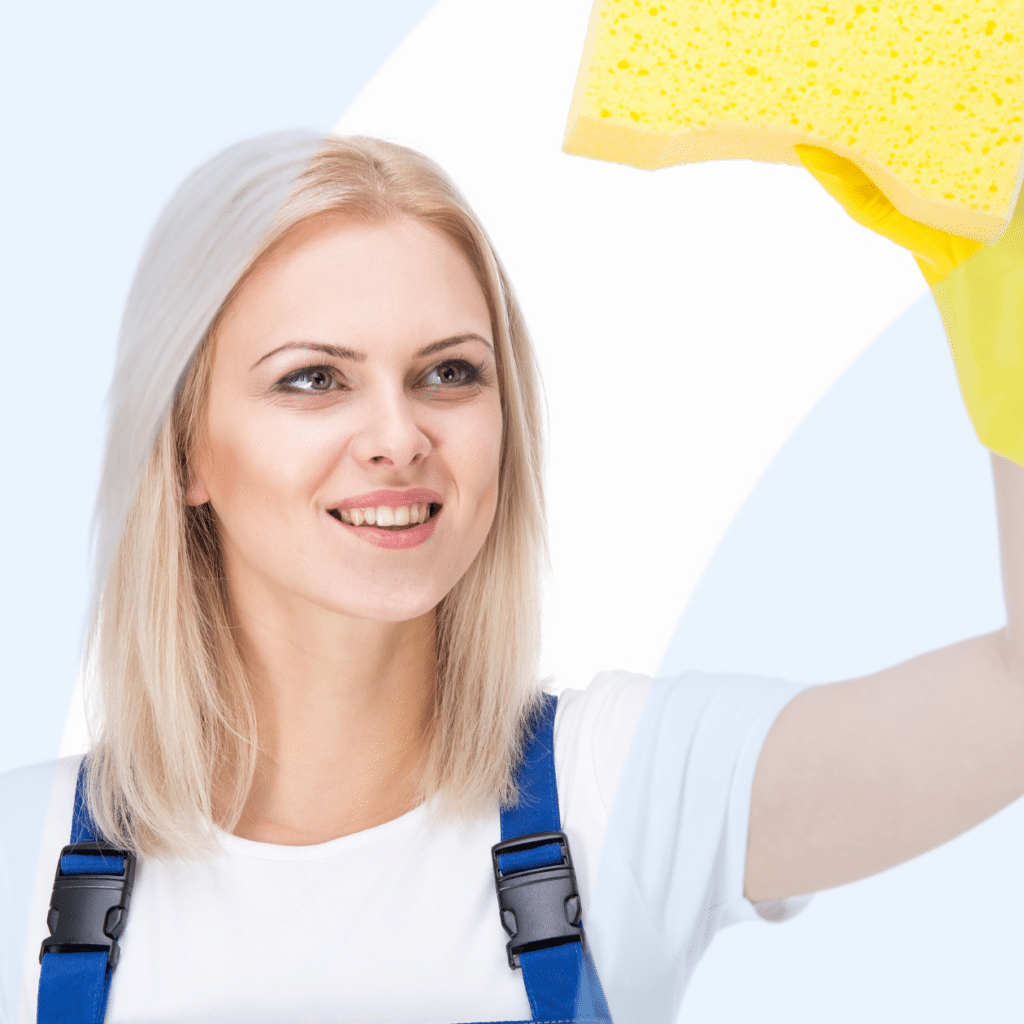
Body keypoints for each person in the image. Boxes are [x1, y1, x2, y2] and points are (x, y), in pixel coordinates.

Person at [1, 128, 1022, 1024]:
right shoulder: (20, 859)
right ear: (184, 449)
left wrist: (1004, 292)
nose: (398, 437)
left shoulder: (624, 791)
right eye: (314, 379)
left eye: (449, 372)